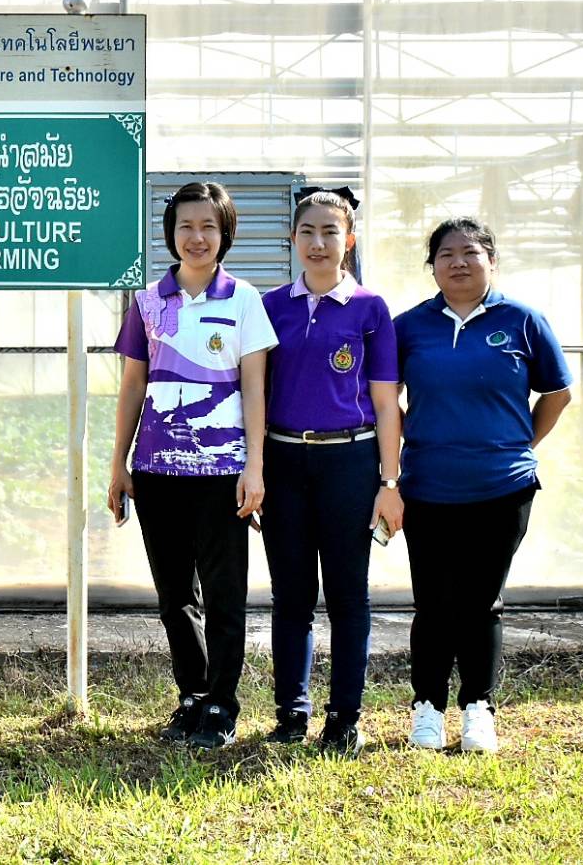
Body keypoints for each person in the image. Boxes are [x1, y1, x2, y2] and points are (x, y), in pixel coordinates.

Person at [107, 181, 277, 749]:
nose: (197, 237)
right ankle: (193, 695)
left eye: (208, 226)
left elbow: (255, 388)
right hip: (156, 471)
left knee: (226, 592)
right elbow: (133, 385)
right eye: (186, 226)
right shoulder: (148, 303)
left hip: (223, 473)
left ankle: (224, 703)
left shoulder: (244, 300)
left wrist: (254, 466)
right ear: (170, 234)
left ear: (225, 232)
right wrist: (119, 463)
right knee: (175, 595)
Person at [394, 217, 572, 754]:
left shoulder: (523, 321)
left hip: (503, 488)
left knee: (481, 601)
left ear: (491, 259)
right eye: (446, 254)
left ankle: (479, 709)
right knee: (433, 602)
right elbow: (383, 401)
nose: (458, 262)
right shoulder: (410, 327)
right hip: (427, 487)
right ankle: (427, 708)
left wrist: (518, 447)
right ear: (432, 266)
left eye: (470, 252)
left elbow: (557, 394)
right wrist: (412, 441)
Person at [259, 187, 403, 752]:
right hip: (284, 459)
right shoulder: (270, 308)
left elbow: (388, 402)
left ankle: (345, 717)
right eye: (308, 232)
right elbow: (252, 392)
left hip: (351, 460)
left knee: (348, 595)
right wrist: (256, 469)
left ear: (350, 239)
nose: (319, 243)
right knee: (290, 595)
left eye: (330, 232)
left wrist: (390, 483)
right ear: (292, 239)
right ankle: (291, 714)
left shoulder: (370, 309)